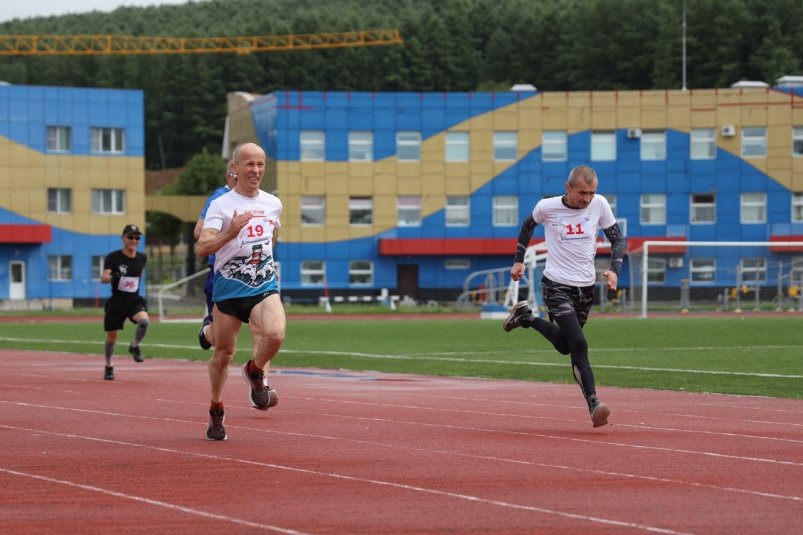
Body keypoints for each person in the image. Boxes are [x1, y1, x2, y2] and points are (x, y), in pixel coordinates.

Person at [503, 165, 626, 428]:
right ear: (568, 188)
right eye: (582, 192)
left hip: (585, 287)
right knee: (579, 344)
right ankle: (594, 403)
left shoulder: (600, 204)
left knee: (564, 345)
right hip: (556, 285)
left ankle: (526, 318)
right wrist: (518, 261)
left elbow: (617, 240)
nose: (587, 199)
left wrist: (614, 271)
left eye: (592, 193)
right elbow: (527, 226)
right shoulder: (547, 207)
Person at [196, 142, 285, 441]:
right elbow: (202, 246)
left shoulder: (273, 203)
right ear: (234, 168)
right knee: (223, 353)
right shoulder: (220, 205)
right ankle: (216, 409)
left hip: (263, 285)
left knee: (275, 334)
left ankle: (255, 371)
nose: (256, 170)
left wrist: (261, 258)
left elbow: (272, 238)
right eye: (249, 164)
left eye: (260, 165)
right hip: (229, 290)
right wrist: (230, 233)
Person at [194, 169, 237, 351]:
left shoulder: (259, 200)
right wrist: (229, 233)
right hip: (222, 271)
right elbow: (198, 232)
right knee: (222, 342)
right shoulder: (220, 197)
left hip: (251, 273)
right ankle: (207, 330)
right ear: (229, 175)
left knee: (267, 329)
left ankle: (260, 377)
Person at [100, 224, 150, 381]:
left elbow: (137, 278)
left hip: (133, 300)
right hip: (117, 302)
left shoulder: (142, 258)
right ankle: (108, 366)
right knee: (111, 338)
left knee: (144, 321)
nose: (134, 240)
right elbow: (103, 278)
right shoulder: (113, 257)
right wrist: (114, 275)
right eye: (130, 237)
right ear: (123, 238)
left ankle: (134, 346)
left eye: (137, 238)